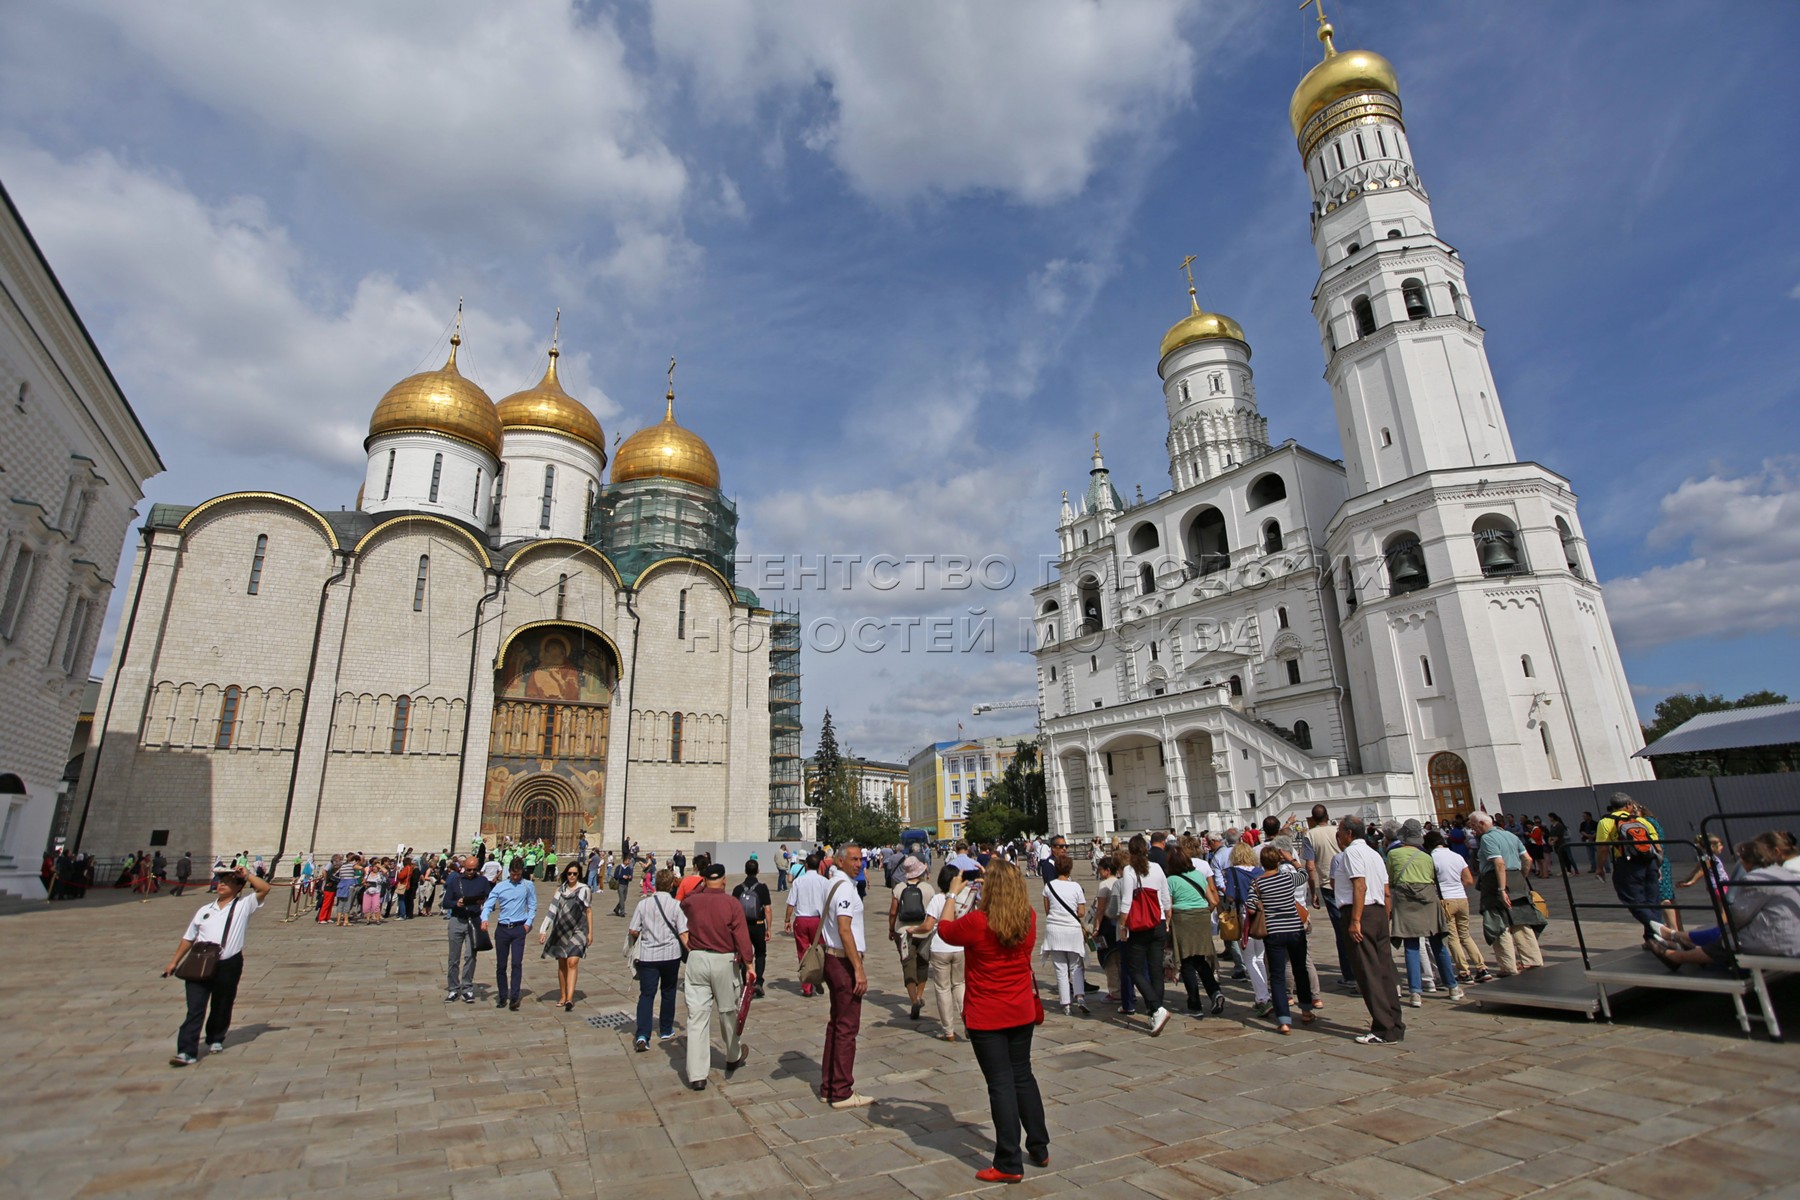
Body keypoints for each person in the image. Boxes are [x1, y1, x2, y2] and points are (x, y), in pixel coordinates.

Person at [936, 858, 1050, 1184]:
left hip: (987, 1015)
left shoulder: (977, 922)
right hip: (1021, 1011)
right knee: (1023, 1077)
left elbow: (944, 930)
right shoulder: (1026, 917)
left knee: (1000, 1084)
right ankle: (1039, 1146)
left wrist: (951, 894)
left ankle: (1009, 1162)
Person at [162, 864, 272, 1066]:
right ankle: (186, 1051)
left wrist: (246, 875)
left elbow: (264, 888)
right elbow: (188, 938)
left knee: (222, 1003)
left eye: (227, 882)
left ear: (238, 887)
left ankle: (215, 1038)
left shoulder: (243, 906)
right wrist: (173, 962)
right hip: (199, 962)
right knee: (195, 1008)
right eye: (220, 882)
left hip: (228, 963)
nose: (221, 885)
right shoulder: (204, 910)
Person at [1647, 833, 1800, 969]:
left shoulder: (1756, 878)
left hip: (1781, 942)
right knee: (1728, 936)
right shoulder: (1781, 873)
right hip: (1791, 933)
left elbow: (1738, 917)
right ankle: (1683, 942)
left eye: (1741, 859)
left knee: (1728, 940)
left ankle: (1677, 954)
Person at [680, 863, 756, 1090]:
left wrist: (700, 886)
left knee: (697, 1017)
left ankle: (697, 1075)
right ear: (724, 880)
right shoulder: (732, 903)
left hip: (697, 960)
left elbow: (684, 901)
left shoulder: (692, 902)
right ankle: (733, 1055)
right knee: (727, 1012)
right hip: (724, 961)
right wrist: (750, 964)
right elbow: (742, 937)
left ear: (704, 880)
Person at [1333, 816, 1405, 1045]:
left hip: (1360, 912)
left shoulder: (1352, 853)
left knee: (1368, 972)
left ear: (1349, 833)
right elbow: (1385, 890)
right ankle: (1395, 1023)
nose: (1338, 835)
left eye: (1340, 831)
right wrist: (1386, 916)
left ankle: (1383, 1028)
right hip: (1379, 913)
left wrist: (1355, 920)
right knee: (1384, 970)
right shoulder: (1375, 854)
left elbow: (1359, 884)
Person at [1385, 819, 1462, 1006]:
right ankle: (1452, 987)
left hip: (1406, 901)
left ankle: (1415, 993)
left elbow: (1391, 879)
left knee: (1411, 947)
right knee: (1438, 944)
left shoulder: (1393, 854)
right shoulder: (1427, 857)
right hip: (1428, 900)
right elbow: (1431, 878)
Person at [1242, 844, 1316, 1034]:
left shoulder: (1257, 883)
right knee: (1300, 970)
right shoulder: (1288, 878)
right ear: (1278, 860)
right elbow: (1304, 874)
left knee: (1277, 975)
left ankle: (1284, 1019)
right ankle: (1306, 1011)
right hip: (1294, 930)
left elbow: (1250, 908)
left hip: (1273, 932)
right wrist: (1291, 859)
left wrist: (1261, 905)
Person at [819, 843, 871, 1108]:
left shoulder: (831, 884)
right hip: (843, 962)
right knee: (847, 1027)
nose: (858, 863)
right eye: (852, 859)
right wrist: (858, 968)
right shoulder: (846, 889)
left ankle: (829, 1086)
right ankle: (842, 1090)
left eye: (860, 859)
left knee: (836, 1024)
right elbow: (844, 929)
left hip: (831, 958)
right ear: (839, 861)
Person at [1471, 812, 1546, 975]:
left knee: (1498, 924)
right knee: (1522, 920)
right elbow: (1528, 859)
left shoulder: (1487, 838)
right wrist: (1521, 877)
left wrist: (1502, 889)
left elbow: (1499, 863)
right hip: (1516, 879)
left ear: (1482, 823)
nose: (1472, 829)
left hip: (1495, 882)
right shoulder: (1510, 836)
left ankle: (1508, 966)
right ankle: (1532, 959)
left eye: (1473, 825)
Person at [1114, 834, 1172, 1035]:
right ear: (1146, 849)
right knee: (1156, 970)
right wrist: (1167, 920)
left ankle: (1156, 1008)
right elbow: (1166, 897)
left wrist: (1123, 926)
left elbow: (1126, 902)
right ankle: (1155, 1012)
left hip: (1140, 926)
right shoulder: (1156, 868)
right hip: (1159, 922)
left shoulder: (1130, 871)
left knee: (1134, 968)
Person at [910, 862, 974, 1040]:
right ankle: (968, 1023)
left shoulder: (938, 899)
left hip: (940, 947)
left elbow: (928, 925)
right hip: (960, 946)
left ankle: (948, 1030)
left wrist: (914, 930)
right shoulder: (966, 897)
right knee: (960, 985)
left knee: (943, 988)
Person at [628, 869, 688, 1050]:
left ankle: (642, 1035)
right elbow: (683, 932)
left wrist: (643, 935)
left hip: (648, 956)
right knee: (668, 992)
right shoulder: (677, 906)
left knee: (647, 995)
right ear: (671, 885)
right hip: (671, 955)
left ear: (655, 884)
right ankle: (666, 1029)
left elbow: (633, 929)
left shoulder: (643, 905)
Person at [1164, 843, 1223, 1017]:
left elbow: (1168, 907)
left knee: (1187, 962)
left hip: (1182, 920)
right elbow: (1213, 901)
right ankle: (1215, 992)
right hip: (1201, 918)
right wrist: (1204, 913)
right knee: (1200, 959)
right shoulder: (1198, 875)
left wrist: (1167, 924)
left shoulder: (1171, 880)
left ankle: (1195, 1004)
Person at [1425, 830, 1490, 984]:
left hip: (1445, 899)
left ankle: (1464, 971)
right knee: (1465, 935)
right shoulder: (1456, 856)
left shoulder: (1431, 858)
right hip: (1461, 897)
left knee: (1452, 937)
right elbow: (1468, 880)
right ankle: (1481, 967)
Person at [1221, 841, 1271, 1015]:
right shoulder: (1260, 872)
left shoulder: (1232, 872)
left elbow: (1230, 896)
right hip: (1262, 916)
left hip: (1246, 916)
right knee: (1260, 957)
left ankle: (1262, 997)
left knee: (1249, 959)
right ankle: (1264, 993)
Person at [481, 859, 538, 1011]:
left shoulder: (528, 885)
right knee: (501, 965)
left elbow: (532, 905)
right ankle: (502, 995)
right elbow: (488, 903)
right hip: (502, 929)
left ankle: (514, 996)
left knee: (516, 963)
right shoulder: (500, 887)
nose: (515, 877)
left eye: (518, 875)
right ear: (509, 872)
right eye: (513, 874)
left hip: (519, 928)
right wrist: (484, 918)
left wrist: (528, 923)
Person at [539, 863, 593, 1011]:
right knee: (562, 964)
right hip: (561, 930)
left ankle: (569, 998)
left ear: (579, 875)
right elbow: (552, 911)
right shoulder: (560, 891)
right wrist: (543, 930)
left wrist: (590, 932)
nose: (572, 876)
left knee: (572, 962)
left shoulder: (584, 890)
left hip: (578, 930)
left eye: (575, 874)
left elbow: (588, 911)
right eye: (569, 873)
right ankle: (563, 995)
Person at [1040, 852, 1088, 1015]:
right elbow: (1081, 912)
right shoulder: (1076, 887)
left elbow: (1047, 911)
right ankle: (1080, 996)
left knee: (1060, 968)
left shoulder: (1049, 886)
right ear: (1070, 869)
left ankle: (1065, 1003)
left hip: (1054, 930)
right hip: (1072, 930)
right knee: (1076, 965)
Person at [888, 856, 936, 1019]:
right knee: (923, 964)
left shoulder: (899, 888)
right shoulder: (928, 888)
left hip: (903, 932)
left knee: (907, 965)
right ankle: (920, 995)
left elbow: (893, 911)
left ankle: (913, 999)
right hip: (924, 932)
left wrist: (891, 929)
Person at [444, 856, 492, 1002]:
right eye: (468, 869)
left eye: (474, 869)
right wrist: (455, 903)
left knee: (471, 956)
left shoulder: (482, 881)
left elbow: (490, 900)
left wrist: (483, 904)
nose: (471, 872)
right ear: (464, 866)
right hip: (457, 920)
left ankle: (467, 987)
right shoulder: (456, 881)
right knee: (454, 958)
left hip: (474, 921)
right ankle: (453, 988)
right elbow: (446, 902)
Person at [785, 851, 828, 998]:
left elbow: (791, 903)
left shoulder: (798, 881)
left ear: (806, 865)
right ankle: (819, 977)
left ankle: (807, 986)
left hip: (802, 919)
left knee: (803, 952)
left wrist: (787, 920)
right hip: (818, 920)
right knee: (820, 951)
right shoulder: (824, 881)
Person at [734, 859, 773, 999]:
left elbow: (734, 911)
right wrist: (769, 928)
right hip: (758, 924)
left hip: (743, 926)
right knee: (761, 953)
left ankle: (747, 982)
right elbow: (767, 909)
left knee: (745, 954)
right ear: (758, 871)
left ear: (745, 871)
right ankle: (759, 981)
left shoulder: (738, 889)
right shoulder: (762, 888)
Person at [611, 851, 635, 917]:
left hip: (626, 885)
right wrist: (622, 876)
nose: (629, 862)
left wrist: (629, 877)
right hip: (620, 884)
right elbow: (615, 875)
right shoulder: (619, 867)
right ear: (624, 861)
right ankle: (622, 912)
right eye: (628, 861)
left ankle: (616, 908)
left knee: (624, 898)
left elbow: (631, 877)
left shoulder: (629, 868)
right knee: (621, 898)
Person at [1579, 811, 1600, 876]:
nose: (1583, 817)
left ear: (1589, 816)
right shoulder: (1583, 824)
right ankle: (1593, 867)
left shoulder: (1595, 823)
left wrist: (1593, 836)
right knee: (1590, 855)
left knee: (1599, 853)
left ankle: (1606, 867)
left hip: (1595, 840)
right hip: (1587, 840)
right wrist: (1588, 836)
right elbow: (1581, 831)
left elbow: (1598, 830)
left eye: (1585, 816)